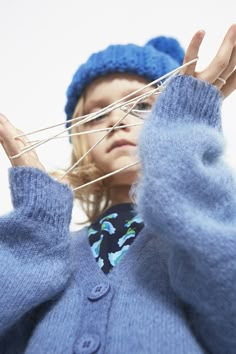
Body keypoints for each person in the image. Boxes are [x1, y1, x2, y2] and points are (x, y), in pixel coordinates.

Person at [0, 24, 235, 354]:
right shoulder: (50, 251)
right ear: (79, 137)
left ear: (175, 116)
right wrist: (35, 223)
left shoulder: (204, 232)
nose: (116, 120)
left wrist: (183, 140)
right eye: (97, 114)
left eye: (141, 105)